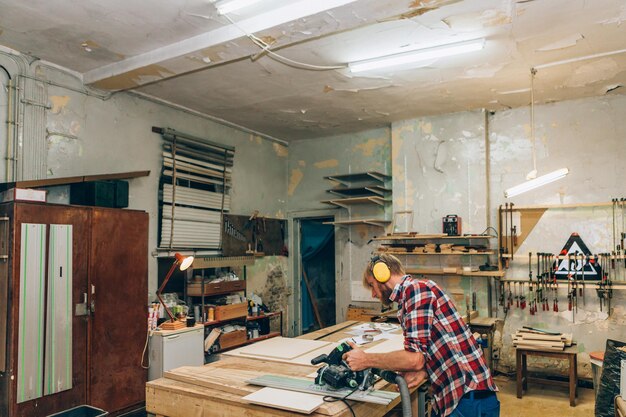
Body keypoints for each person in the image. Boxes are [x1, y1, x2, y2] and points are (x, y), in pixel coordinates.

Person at [342, 253, 499, 417]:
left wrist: (365, 360)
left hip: (468, 398)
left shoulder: (415, 291)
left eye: (372, 285)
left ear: (383, 275)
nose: (373, 294)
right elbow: (438, 347)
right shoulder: (413, 294)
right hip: (465, 396)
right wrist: (425, 371)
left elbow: (414, 359)